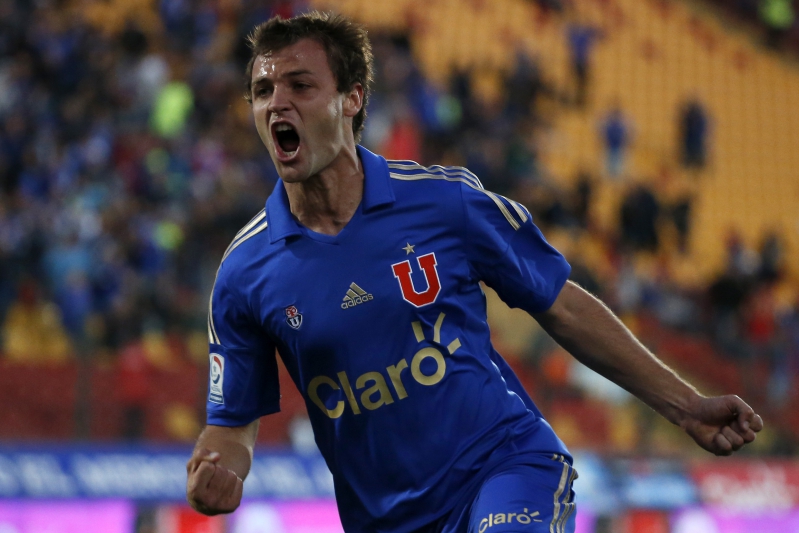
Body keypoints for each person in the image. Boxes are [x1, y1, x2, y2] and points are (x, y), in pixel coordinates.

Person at [185, 12, 763, 533]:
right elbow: (232, 425)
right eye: (263, 91)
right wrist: (218, 469)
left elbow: (561, 305)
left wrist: (686, 405)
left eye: (301, 85)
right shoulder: (244, 273)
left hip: (504, 467)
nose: (277, 103)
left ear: (352, 98)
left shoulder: (445, 203)